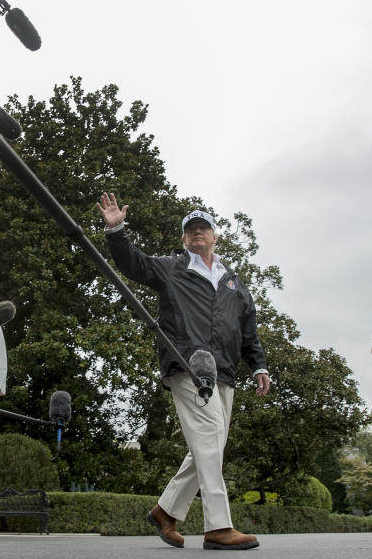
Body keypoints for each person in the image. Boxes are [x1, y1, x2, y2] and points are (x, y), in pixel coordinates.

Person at [97, 194, 270, 550]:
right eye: (190, 230)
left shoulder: (233, 283)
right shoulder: (171, 268)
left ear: (214, 236)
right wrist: (116, 231)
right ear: (183, 239)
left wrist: (259, 365)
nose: (196, 234)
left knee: (209, 447)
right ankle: (219, 527)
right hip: (189, 365)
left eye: (202, 228)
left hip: (225, 373)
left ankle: (166, 510)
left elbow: (247, 328)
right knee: (208, 440)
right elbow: (134, 263)